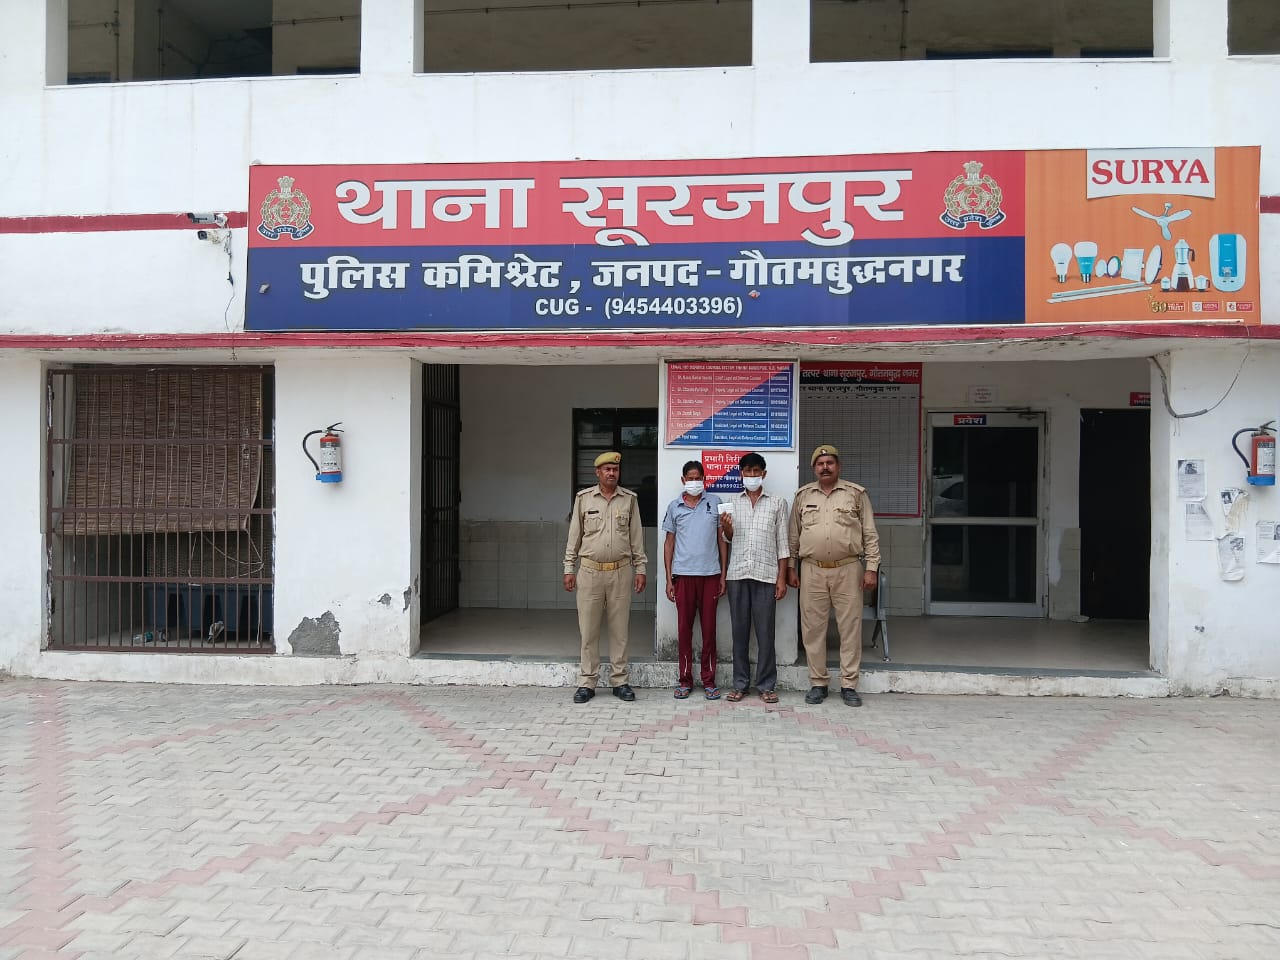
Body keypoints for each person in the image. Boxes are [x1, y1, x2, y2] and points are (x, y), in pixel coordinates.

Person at [787, 444, 880, 707]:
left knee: (850, 628)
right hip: (812, 570)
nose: (825, 467)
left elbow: (869, 533)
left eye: (830, 463)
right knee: (812, 629)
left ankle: (849, 685)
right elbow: (793, 535)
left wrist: (871, 567)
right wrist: (791, 567)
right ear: (814, 468)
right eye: (820, 464)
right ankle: (818, 683)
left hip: (848, 569)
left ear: (838, 466)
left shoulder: (856, 494)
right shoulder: (803, 496)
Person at [564, 451, 647, 704]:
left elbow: (636, 537)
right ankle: (587, 682)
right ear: (598, 472)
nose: (612, 473)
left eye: (615, 469)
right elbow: (574, 536)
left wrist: (641, 569)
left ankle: (619, 681)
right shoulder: (583, 499)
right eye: (607, 469)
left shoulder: (629, 500)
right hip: (589, 572)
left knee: (619, 631)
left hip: (620, 572)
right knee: (588, 631)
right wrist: (569, 568)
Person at [718, 452, 789, 704]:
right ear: (741, 474)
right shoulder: (731, 502)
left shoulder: (778, 503)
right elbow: (726, 539)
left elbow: (783, 543)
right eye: (747, 471)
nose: (751, 475)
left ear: (763, 474)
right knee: (739, 633)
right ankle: (740, 684)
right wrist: (727, 529)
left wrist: (782, 578)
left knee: (765, 633)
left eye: (756, 471)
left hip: (766, 574)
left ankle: (767, 685)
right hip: (738, 573)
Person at [661, 460, 727, 700]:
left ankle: (709, 680)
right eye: (690, 478)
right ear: (683, 480)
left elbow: (722, 540)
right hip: (683, 577)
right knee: (684, 630)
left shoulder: (715, 502)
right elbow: (669, 544)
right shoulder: (674, 507)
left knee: (709, 631)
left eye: (698, 478)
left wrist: (723, 574)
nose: (694, 482)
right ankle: (685, 679)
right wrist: (669, 579)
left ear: (704, 480)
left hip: (710, 576)